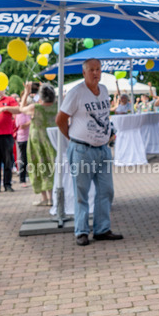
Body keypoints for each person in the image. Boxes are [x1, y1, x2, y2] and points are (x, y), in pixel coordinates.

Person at [55, 58, 123, 247]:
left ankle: (102, 229)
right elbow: (60, 119)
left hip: (102, 149)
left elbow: (105, 115)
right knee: (81, 192)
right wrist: (72, 137)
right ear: (84, 73)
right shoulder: (76, 93)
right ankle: (82, 231)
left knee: (106, 191)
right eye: (91, 70)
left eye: (98, 69)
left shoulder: (104, 91)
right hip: (82, 150)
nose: (95, 73)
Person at [0, 84, 58, 207]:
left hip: (37, 141)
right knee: (52, 167)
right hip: (53, 141)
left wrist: (26, 92)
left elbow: (21, 109)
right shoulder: (57, 106)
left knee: (38, 166)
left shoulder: (35, 107)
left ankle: (45, 198)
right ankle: (52, 197)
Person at [14, 85, 34, 187]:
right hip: (22, 138)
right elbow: (21, 125)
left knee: (31, 158)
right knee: (23, 159)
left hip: (31, 138)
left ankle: (31, 177)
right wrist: (30, 122)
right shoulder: (20, 111)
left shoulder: (30, 109)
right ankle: (22, 180)